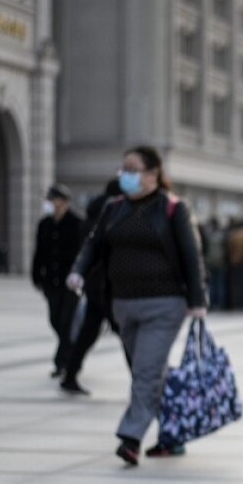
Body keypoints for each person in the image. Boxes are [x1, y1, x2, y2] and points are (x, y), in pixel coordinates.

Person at [68, 146, 207, 465]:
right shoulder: (113, 208)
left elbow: (190, 255)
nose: (124, 175)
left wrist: (197, 301)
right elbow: (94, 244)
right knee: (145, 372)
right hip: (122, 305)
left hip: (164, 305)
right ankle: (173, 436)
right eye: (123, 169)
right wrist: (78, 271)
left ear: (152, 175)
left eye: (132, 170)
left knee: (145, 371)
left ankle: (130, 438)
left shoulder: (173, 208)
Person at [61, 179, 121, 394]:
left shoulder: (91, 216)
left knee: (88, 331)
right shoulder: (114, 215)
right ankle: (145, 387)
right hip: (108, 286)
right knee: (126, 334)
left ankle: (70, 374)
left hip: (94, 285)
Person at [32, 184, 84, 380]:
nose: (51, 203)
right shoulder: (44, 224)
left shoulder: (76, 223)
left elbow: (82, 253)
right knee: (55, 320)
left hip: (71, 282)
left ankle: (62, 362)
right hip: (51, 282)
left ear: (63, 201)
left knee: (66, 320)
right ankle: (70, 353)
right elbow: (39, 253)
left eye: (53, 199)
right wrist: (36, 275)